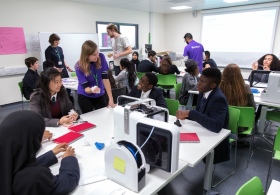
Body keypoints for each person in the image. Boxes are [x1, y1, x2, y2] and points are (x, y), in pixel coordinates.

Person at [0, 110, 79, 195]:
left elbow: (21, 165)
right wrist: (69, 159)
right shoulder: (34, 177)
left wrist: (51, 154)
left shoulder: (6, 159)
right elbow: (65, 183)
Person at [176, 68, 229, 164]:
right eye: (199, 79)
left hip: (215, 137)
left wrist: (190, 113)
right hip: (203, 129)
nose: (198, 83)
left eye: (202, 81)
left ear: (212, 85)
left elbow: (216, 126)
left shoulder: (218, 98)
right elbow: (199, 112)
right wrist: (186, 116)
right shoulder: (202, 92)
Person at [75, 40, 115, 114]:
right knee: (90, 119)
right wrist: (92, 89)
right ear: (87, 55)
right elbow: (86, 89)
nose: (97, 56)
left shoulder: (101, 57)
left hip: (100, 94)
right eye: (94, 54)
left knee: (104, 115)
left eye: (97, 52)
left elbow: (105, 79)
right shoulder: (79, 66)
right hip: (85, 95)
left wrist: (111, 99)